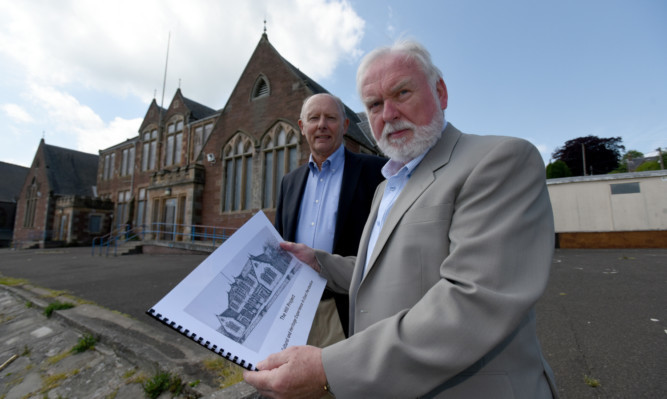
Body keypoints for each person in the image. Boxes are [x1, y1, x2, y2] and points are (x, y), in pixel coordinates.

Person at [245, 39, 558, 398]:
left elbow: (472, 303)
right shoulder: (388, 186)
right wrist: (318, 261)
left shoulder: (500, 160)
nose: (388, 113)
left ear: (440, 92)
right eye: (375, 104)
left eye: (402, 93)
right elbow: (379, 275)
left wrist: (328, 368)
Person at [274, 93, 385, 347]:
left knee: (344, 385)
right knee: (302, 386)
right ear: (302, 128)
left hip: (349, 311)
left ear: (345, 126)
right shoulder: (289, 182)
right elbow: (280, 242)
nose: (321, 124)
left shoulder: (377, 172)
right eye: (314, 118)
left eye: (331, 118)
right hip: (297, 313)